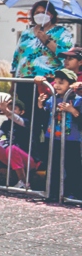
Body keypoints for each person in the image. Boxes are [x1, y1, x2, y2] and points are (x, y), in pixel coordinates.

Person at [41, 68, 82, 201]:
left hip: (71, 139)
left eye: (61, 82)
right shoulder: (52, 99)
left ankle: (74, 193)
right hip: (53, 137)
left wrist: (72, 110)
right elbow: (43, 114)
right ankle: (52, 192)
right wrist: (40, 103)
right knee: (53, 165)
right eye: (55, 82)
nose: (57, 85)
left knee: (72, 166)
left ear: (71, 85)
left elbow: (79, 118)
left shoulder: (78, 100)